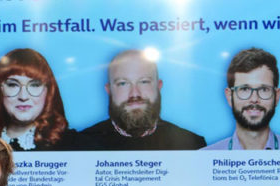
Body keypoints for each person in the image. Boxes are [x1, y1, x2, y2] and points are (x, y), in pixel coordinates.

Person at [78, 49, 206, 150]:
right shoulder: (81, 146)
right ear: (109, 90)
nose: (134, 94)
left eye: (144, 82)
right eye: (123, 83)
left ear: (158, 86)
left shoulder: (193, 146)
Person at [203, 47, 280, 151]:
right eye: (245, 89)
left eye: (264, 89)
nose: (254, 99)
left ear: (276, 96)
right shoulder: (205, 159)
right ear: (229, 96)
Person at [0, 48, 77, 151]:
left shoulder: (75, 144)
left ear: (48, 91)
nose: (23, 96)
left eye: (34, 85)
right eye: (13, 85)